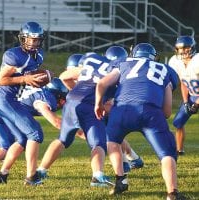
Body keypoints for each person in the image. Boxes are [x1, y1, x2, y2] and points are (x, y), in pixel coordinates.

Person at [94, 43, 183, 199]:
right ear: (154, 57)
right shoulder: (165, 69)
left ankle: (121, 179)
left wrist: (98, 104)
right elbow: (167, 111)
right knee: (167, 153)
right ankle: (172, 193)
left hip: (122, 109)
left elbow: (102, 83)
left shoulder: (123, 63)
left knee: (112, 140)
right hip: (150, 111)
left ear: (132, 54)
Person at [36, 47, 129, 187]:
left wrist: (76, 91)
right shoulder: (120, 73)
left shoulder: (94, 60)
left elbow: (64, 77)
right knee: (98, 143)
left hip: (72, 101)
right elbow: (110, 105)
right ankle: (97, 176)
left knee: (62, 139)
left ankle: (40, 170)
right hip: (90, 106)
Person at [0, 78, 68, 180]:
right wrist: (74, 130)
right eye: (62, 99)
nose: (62, 103)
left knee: (19, 141)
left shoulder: (39, 91)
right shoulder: (46, 98)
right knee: (6, 146)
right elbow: (55, 121)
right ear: (56, 94)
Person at [0, 21, 49, 185]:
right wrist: (25, 78)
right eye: (29, 39)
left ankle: (1, 175)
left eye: (36, 40)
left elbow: (31, 76)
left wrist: (44, 77)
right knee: (35, 134)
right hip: (5, 100)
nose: (32, 43)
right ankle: (31, 177)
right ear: (22, 38)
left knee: (24, 140)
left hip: (15, 100)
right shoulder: (14, 55)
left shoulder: (39, 55)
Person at [168, 35, 199, 156]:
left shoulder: (197, 60)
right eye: (180, 48)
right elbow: (184, 83)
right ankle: (179, 150)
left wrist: (196, 104)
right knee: (178, 122)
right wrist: (186, 101)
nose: (183, 51)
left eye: (186, 48)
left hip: (196, 98)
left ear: (192, 47)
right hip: (192, 96)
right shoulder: (176, 62)